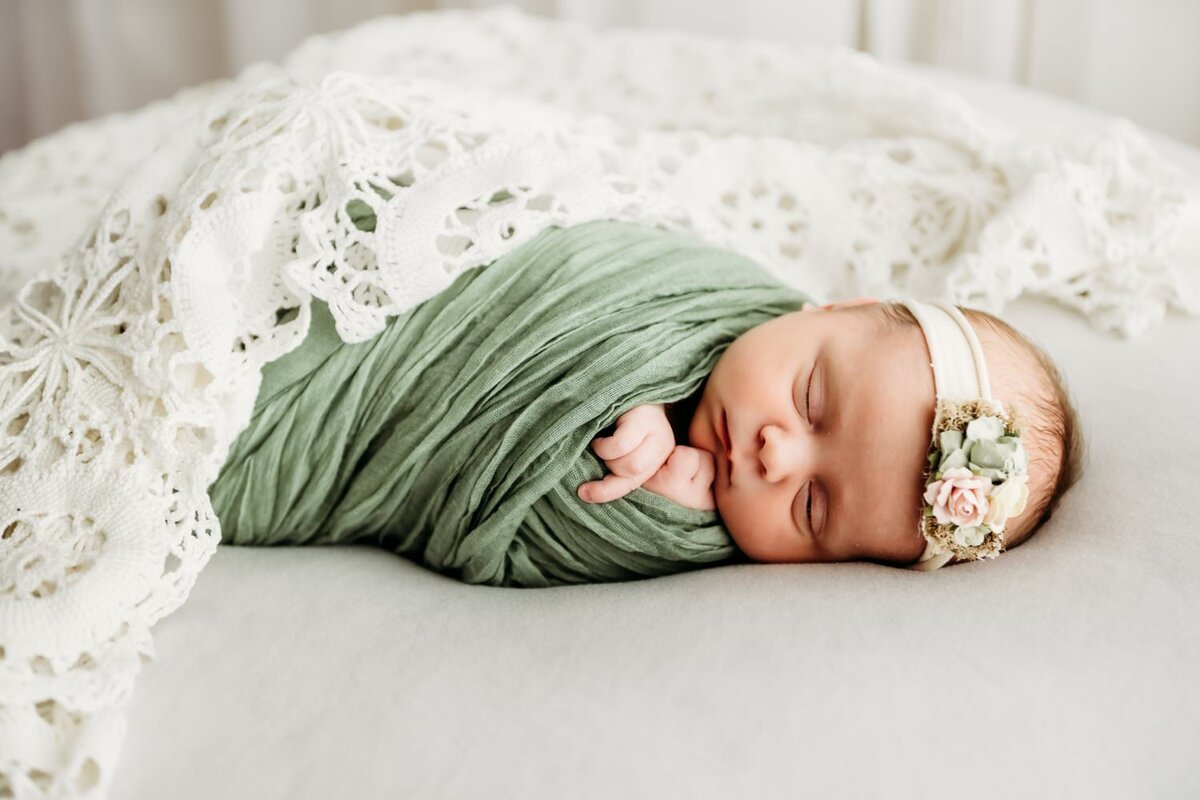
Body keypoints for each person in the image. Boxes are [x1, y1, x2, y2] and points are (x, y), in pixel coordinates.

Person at [578, 297, 1084, 570]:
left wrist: (663, 517)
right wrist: (638, 385)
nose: (775, 456)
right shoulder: (719, 293)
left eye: (811, 507)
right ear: (834, 308)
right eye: (810, 398)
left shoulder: (702, 533)